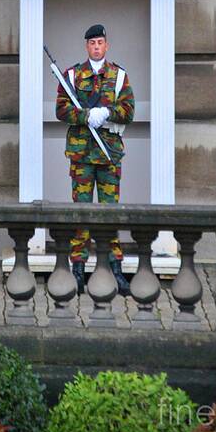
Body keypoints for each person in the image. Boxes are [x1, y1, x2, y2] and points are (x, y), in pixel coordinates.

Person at [55, 24, 135, 296]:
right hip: (81, 155)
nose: (97, 46)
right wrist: (85, 116)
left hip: (109, 154)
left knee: (110, 212)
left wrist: (107, 113)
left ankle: (115, 269)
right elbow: (62, 109)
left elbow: (128, 111)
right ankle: (78, 268)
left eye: (100, 42)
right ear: (87, 46)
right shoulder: (73, 75)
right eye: (92, 43)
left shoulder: (119, 75)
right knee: (81, 211)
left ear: (107, 45)